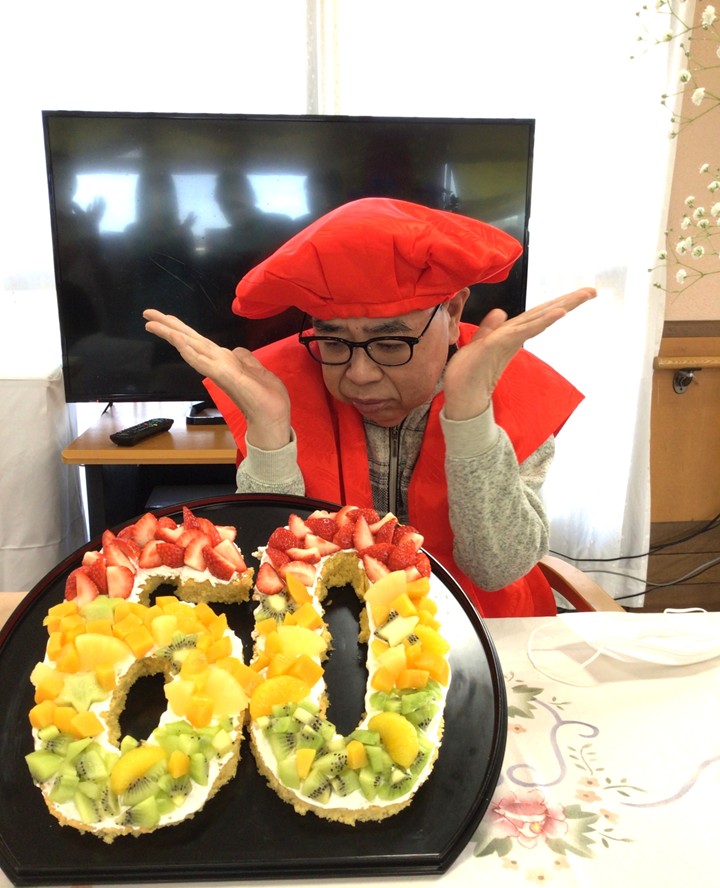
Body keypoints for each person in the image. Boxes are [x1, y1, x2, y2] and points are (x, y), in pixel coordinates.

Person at [144, 197, 596, 617]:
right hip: (337, 627)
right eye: (334, 340)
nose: (359, 375)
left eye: (391, 341)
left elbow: (497, 570)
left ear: (454, 312)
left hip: (484, 628)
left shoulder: (514, 395)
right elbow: (274, 570)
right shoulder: (276, 391)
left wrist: (470, 419)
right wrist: (270, 431)